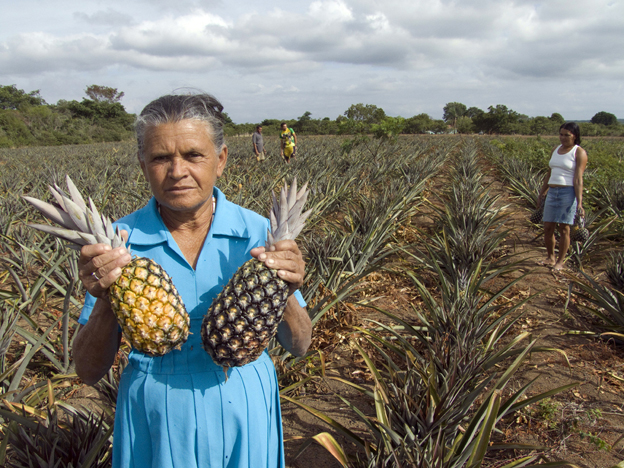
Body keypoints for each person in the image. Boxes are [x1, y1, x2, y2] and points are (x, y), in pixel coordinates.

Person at [72, 93, 313, 468]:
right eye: (160, 158)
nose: (177, 170)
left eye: (193, 155)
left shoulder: (260, 232)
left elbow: (299, 346)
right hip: (157, 407)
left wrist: (288, 291)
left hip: (244, 399)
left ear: (221, 160)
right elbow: (88, 371)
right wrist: (105, 298)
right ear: (142, 165)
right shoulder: (118, 242)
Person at [538, 122, 588, 271]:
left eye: (567, 135)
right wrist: (542, 192)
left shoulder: (579, 152)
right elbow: (549, 173)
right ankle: (550, 257)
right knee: (548, 227)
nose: (563, 137)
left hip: (568, 193)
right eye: (561, 134)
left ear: (575, 136)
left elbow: (578, 179)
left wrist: (579, 202)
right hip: (552, 192)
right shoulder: (555, 149)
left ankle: (560, 261)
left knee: (564, 228)